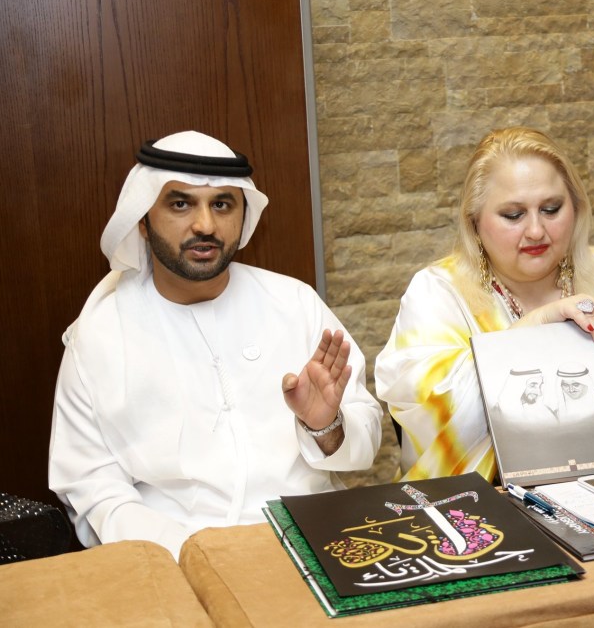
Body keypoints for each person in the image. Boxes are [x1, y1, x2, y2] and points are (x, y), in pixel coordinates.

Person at [48, 131, 383, 559]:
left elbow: (364, 443)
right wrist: (192, 556)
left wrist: (326, 427)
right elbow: (92, 487)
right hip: (174, 560)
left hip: (313, 544)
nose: (205, 225)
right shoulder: (100, 336)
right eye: (180, 204)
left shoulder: (294, 303)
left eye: (222, 205)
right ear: (143, 221)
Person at [374, 127, 594, 481]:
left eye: (551, 209)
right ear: (474, 222)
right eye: (513, 215)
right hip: (489, 503)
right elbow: (433, 413)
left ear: (576, 208)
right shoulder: (437, 293)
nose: (535, 231)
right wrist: (534, 328)